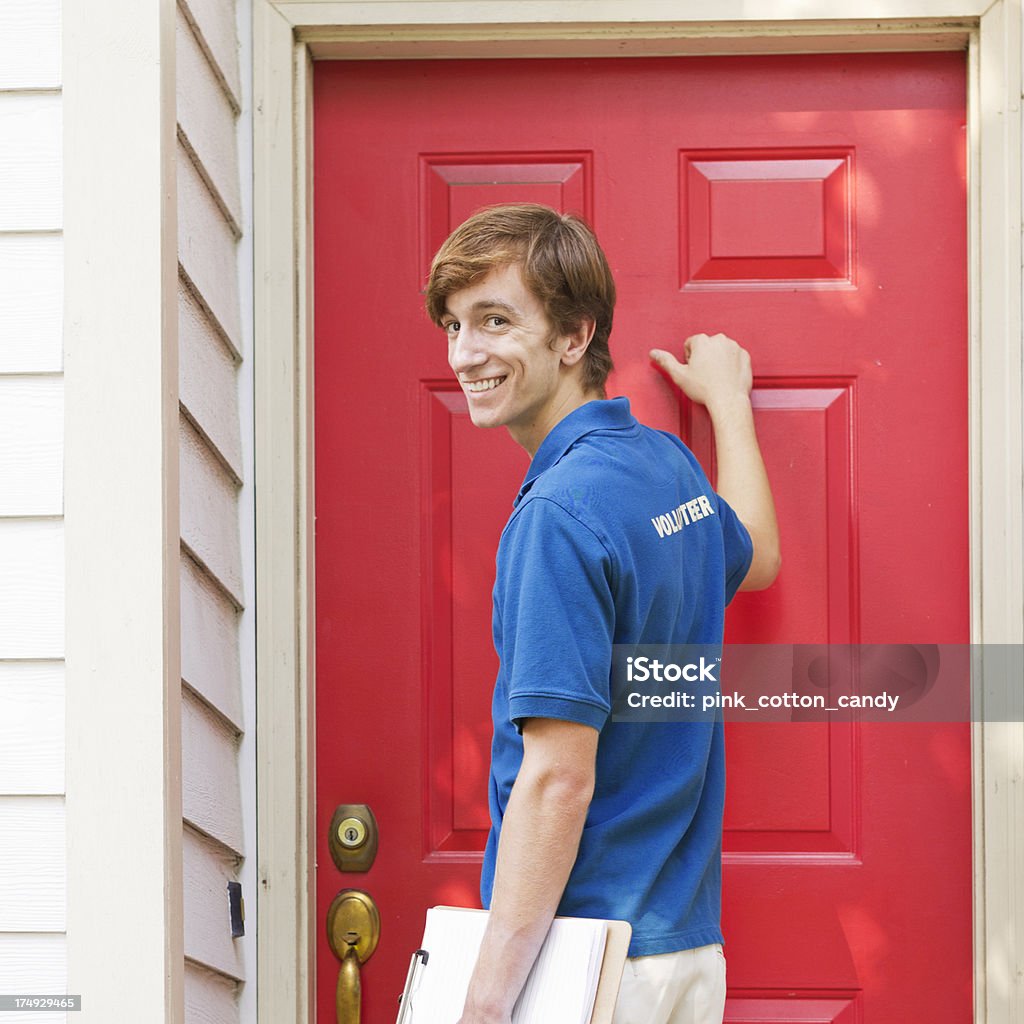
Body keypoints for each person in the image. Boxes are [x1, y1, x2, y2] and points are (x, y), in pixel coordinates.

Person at [424, 203, 780, 1024]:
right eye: (453, 324)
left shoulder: (557, 514)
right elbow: (756, 557)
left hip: (585, 968)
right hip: (685, 955)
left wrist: (480, 1008)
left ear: (574, 336)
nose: (465, 353)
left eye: (496, 320)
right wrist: (729, 404)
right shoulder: (662, 464)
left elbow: (557, 779)